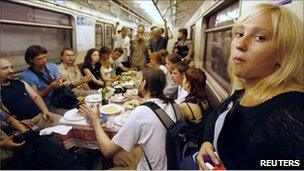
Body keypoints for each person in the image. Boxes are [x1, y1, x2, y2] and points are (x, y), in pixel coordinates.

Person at [196, 4, 304, 170]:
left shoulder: (291, 113)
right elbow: (217, 114)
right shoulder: (244, 93)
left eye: (259, 37)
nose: (240, 44)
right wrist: (207, 141)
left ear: (284, 52)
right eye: (239, 34)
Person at [78, 68, 178, 170]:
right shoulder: (174, 105)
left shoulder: (142, 112)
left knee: (112, 159)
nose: (138, 83)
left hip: (153, 168)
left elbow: (107, 151)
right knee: (118, 156)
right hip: (172, 163)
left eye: (139, 80)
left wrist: (95, 121)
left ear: (144, 84)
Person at [0, 110, 84, 170]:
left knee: (48, 142)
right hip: (5, 159)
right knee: (47, 148)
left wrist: (26, 132)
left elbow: (8, 118)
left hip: (12, 143)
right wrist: (2, 143)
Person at [1, 58, 61, 128]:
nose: (11, 71)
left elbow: (36, 97)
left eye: (11, 67)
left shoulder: (20, 82)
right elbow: (5, 116)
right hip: (25, 124)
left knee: (64, 122)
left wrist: (45, 111)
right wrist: (18, 123)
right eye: (5, 68)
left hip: (41, 116)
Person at [19, 45, 67, 115]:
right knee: (68, 113)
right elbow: (36, 96)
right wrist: (50, 88)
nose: (44, 60)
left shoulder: (51, 66)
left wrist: (61, 81)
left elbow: (61, 78)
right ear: (31, 60)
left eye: (45, 57)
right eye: (40, 58)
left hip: (62, 96)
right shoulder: (26, 75)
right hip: (48, 103)